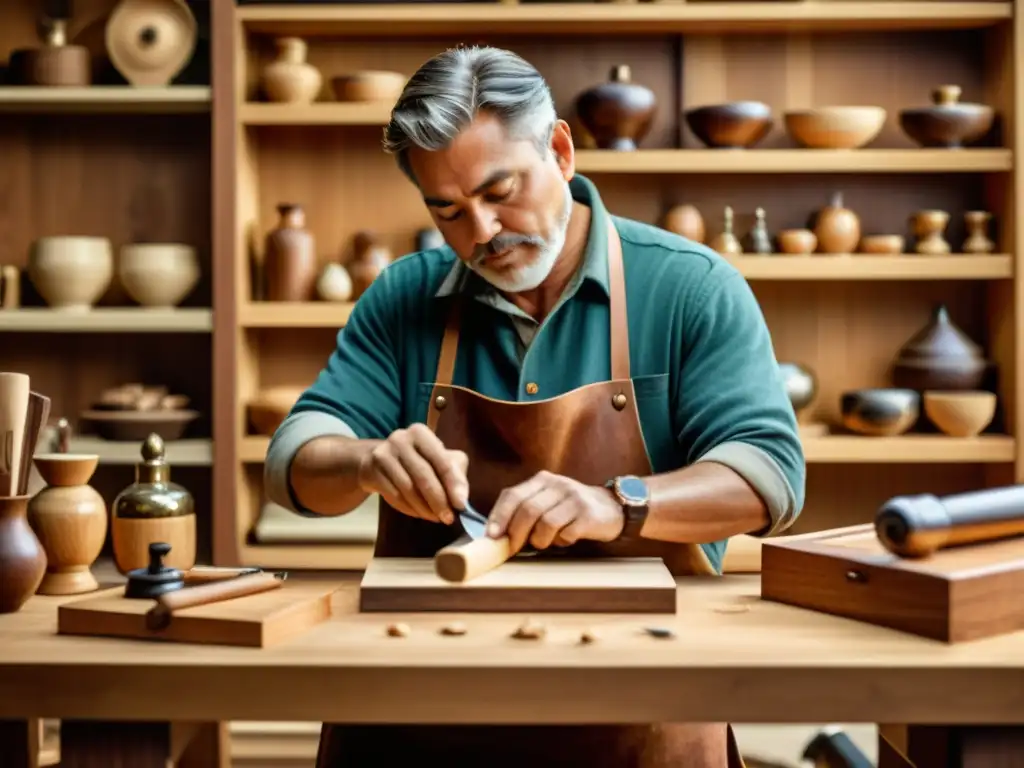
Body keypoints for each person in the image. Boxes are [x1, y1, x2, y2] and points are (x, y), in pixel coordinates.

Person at [265, 45, 806, 768]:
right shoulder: (403, 298)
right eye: (449, 210)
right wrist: (366, 461)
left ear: (559, 149)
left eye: (500, 190)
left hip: (642, 713)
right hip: (418, 715)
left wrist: (619, 505)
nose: (482, 232)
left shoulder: (690, 289)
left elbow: (769, 474)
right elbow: (293, 457)